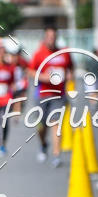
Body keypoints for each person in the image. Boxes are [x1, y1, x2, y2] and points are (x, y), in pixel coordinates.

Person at [28, 27, 74, 167]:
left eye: (53, 37)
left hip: (58, 95)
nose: (51, 39)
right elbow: (30, 71)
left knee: (55, 124)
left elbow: (71, 67)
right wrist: (44, 77)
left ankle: (56, 155)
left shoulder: (64, 54)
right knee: (41, 126)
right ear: (45, 38)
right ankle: (43, 145)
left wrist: (69, 75)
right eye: (49, 37)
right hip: (42, 95)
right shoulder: (39, 54)